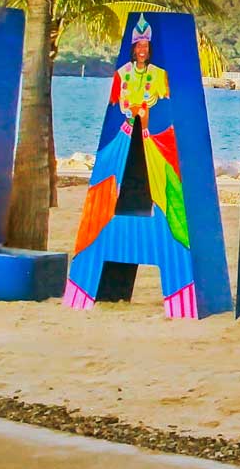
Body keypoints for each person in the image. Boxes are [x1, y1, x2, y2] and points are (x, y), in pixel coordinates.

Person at [69, 16, 199, 316]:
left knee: (166, 193)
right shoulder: (123, 74)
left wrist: (147, 108)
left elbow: (164, 100)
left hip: (148, 138)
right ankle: (86, 285)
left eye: (146, 46)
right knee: (111, 187)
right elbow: (121, 103)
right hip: (126, 139)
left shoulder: (159, 74)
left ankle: (179, 291)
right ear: (133, 48)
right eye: (138, 45)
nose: (142, 50)